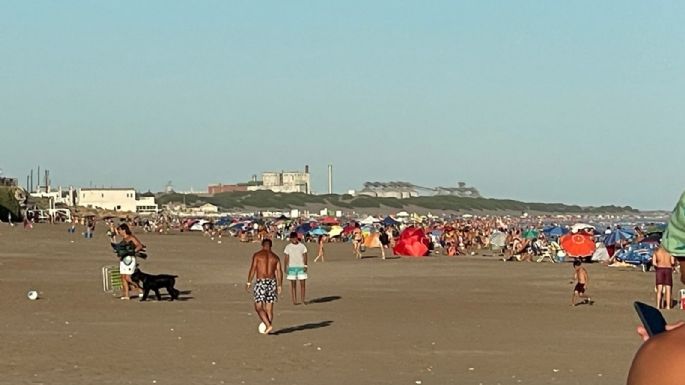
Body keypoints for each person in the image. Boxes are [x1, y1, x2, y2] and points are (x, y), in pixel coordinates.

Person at [246, 239, 283, 335]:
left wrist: (249, 282)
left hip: (261, 282)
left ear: (262, 245)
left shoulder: (258, 255)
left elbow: (253, 268)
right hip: (272, 282)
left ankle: (268, 325)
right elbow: (279, 271)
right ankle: (268, 329)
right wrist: (279, 285)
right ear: (271, 246)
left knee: (258, 307)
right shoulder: (275, 257)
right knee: (269, 308)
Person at [115, 223, 144, 300]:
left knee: (128, 278)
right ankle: (126, 295)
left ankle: (140, 289)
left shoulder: (131, 237)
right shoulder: (123, 240)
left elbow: (139, 245)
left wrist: (133, 251)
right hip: (123, 259)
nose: (119, 232)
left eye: (120, 230)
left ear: (124, 230)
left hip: (130, 260)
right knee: (123, 277)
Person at [284, 232, 308, 305]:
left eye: (295, 238)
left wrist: (305, 265)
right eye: (292, 238)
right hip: (291, 267)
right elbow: (286, 257)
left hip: (301, 266)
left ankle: (302, 300)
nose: (294, 239)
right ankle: (294, 300)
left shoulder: (302, 246)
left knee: (302, 284)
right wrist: (285, 266)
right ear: (290, 239)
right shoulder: (288, 247)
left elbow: (305, 256)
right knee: (293, 285)